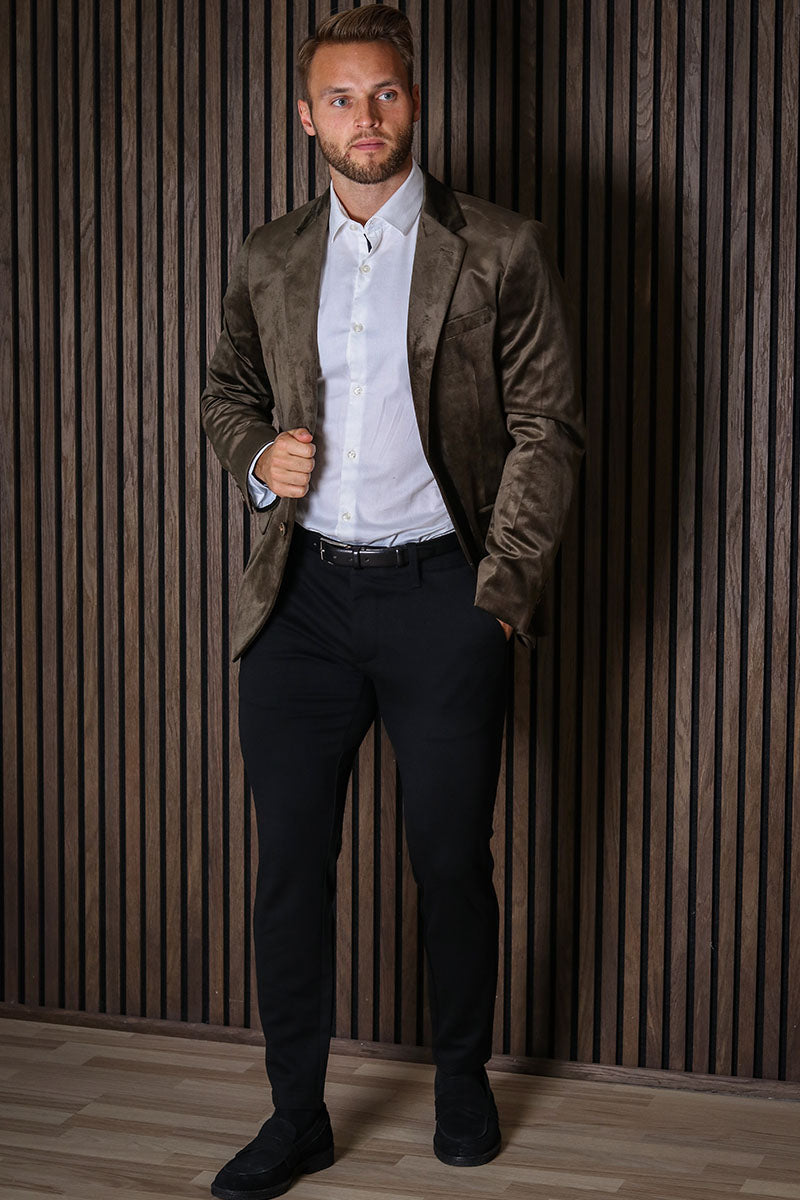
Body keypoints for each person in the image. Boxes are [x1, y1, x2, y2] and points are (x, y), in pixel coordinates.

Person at [201, 6, 584, 1197]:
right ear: (303, 115)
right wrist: (257, 459)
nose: (363, 118)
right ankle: (295, 1117)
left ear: (412, 104)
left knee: (449, 859)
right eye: (339, 98)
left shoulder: (499, 248)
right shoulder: (268, 255)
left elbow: (546, 429)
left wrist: (497, 598)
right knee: (288, 868)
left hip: (440, 595)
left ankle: (461, 1078)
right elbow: (226, 391)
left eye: (383, 94)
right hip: (302, 601)